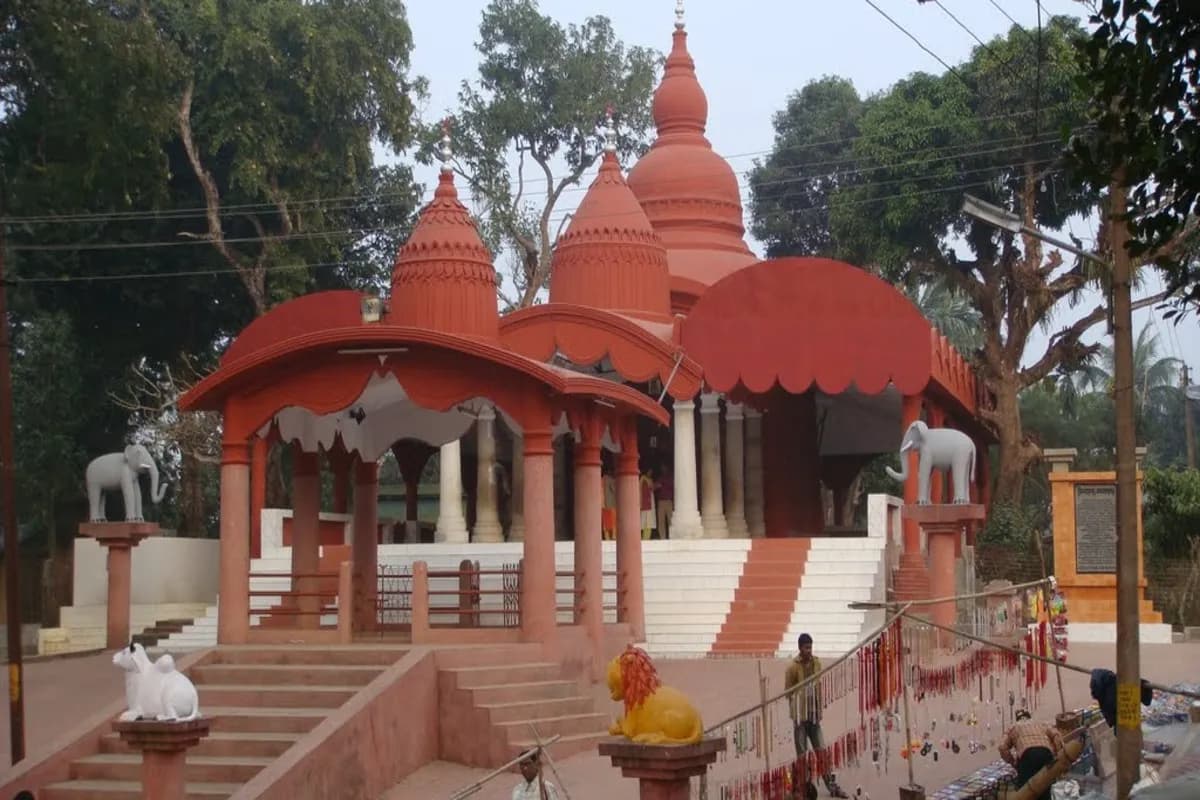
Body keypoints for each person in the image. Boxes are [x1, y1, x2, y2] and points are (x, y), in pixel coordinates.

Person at [785, 633, 848, 799]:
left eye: (811, 647)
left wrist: (817, 708)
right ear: (800, 648)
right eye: (806, 647)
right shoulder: (792, 667)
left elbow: (819, 685)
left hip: (814, 716)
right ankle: (803, 788)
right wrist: (799, 703)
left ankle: (832, 786)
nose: (809, 650)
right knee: (802, 756)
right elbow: (788, 692)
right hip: (800, 718)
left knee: (821, 752)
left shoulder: (817, 663)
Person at [998, 709, 1064, 799]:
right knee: (1045, 787)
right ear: (1029, 717)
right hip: (1046, 754)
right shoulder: (1041, 723)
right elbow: (1057, 735)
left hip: (1028, 756)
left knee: (1026, 791)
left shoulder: (1013, 727)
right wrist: (1057, 754)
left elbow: (1002, 747)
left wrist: (1012, 762)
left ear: (1017, 719)